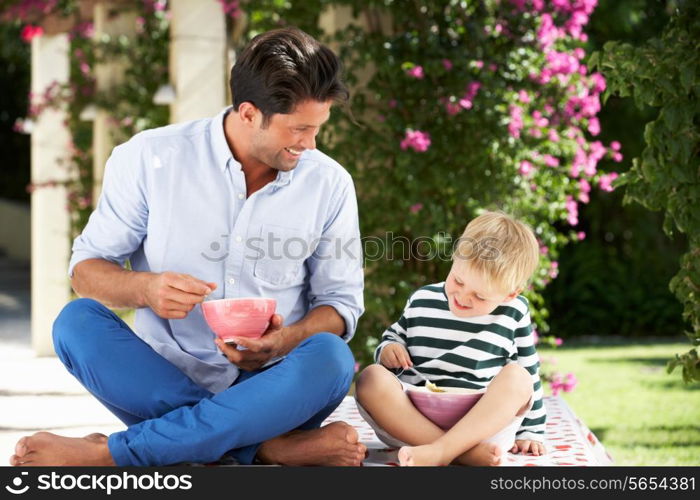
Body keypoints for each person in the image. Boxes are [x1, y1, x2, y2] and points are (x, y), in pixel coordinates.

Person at [10, 27, 366, 467]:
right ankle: (266, 448)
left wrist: (285, 340)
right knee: (75, 324)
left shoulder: (329, 183)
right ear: (250, 113)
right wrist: (145, 289)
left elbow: (340, 304)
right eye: (300, 129)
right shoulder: (149, 158)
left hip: (272, 390)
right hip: (164, 379)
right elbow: (86, 271)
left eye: (317, 129)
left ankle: (112, 454)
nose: (310, 144)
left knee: (331, 357)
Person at [355, 211, 547, 466]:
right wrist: (390, 348)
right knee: (371, 378)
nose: (463, 297)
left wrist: (531, 432)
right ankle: (460, 453)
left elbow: (530, 375)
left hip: (481, 426)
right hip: (414, 420)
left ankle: (442, 451)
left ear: (510, 294)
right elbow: (394, 335)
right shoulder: (423, 299)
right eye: (458, 280)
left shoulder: (514, 312)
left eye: (480, 297)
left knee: (518, 377)